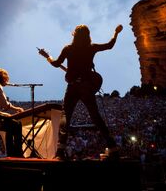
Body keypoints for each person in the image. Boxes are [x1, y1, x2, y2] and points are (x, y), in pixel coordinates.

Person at [45, 24, 123, 160]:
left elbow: (57, 64)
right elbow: (110, 45)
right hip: (86, 86)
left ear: (74, 35)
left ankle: (60, 152)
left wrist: (48, 56)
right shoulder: (91, 48)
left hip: (73, 86)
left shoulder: (68, 49)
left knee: (66, 117)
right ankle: (113, 147)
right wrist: (116, 32)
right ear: (88, 35)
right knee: (96, 117)